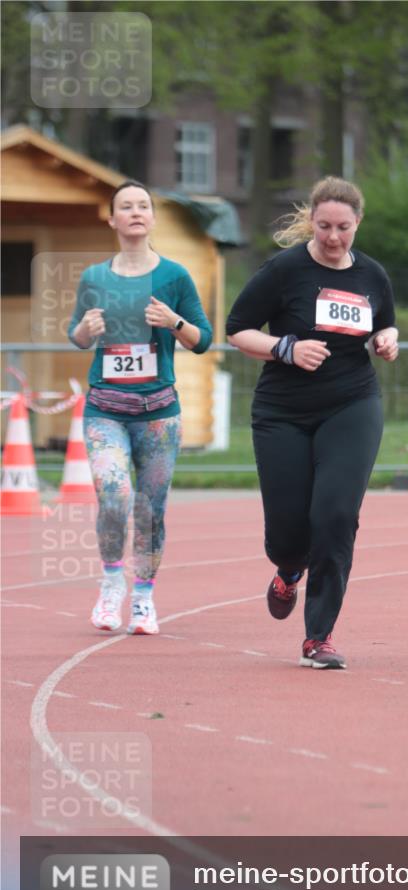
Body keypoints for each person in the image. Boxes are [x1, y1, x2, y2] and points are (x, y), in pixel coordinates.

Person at [226, 176, 399, 669]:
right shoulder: (284, 270)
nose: (333, 237)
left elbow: (385, 321)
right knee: (288, 535)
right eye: (324, 226)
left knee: (336, 516)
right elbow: (237, 329)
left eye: (343, 227)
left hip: (352, 404)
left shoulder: (372, 275)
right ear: (311, 221)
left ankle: (318, 636)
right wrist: (286, 348)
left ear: (358, 223)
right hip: (283, 411)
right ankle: (288, 570)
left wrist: (388, 339)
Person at [68, 181, 212, 634]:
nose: (135, 212)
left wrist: (174, 321)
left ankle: (144, 598)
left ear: (152, 218)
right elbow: (77, 335)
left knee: (151, 510)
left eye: (143, 206)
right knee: (114, 497)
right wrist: (86, 330)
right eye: (126, 206)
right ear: (112, 219)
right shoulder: (95, 278)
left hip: (159, 413)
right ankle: (112, 582)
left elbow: (203, 339)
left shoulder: (174, 276)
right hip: (105, 410)